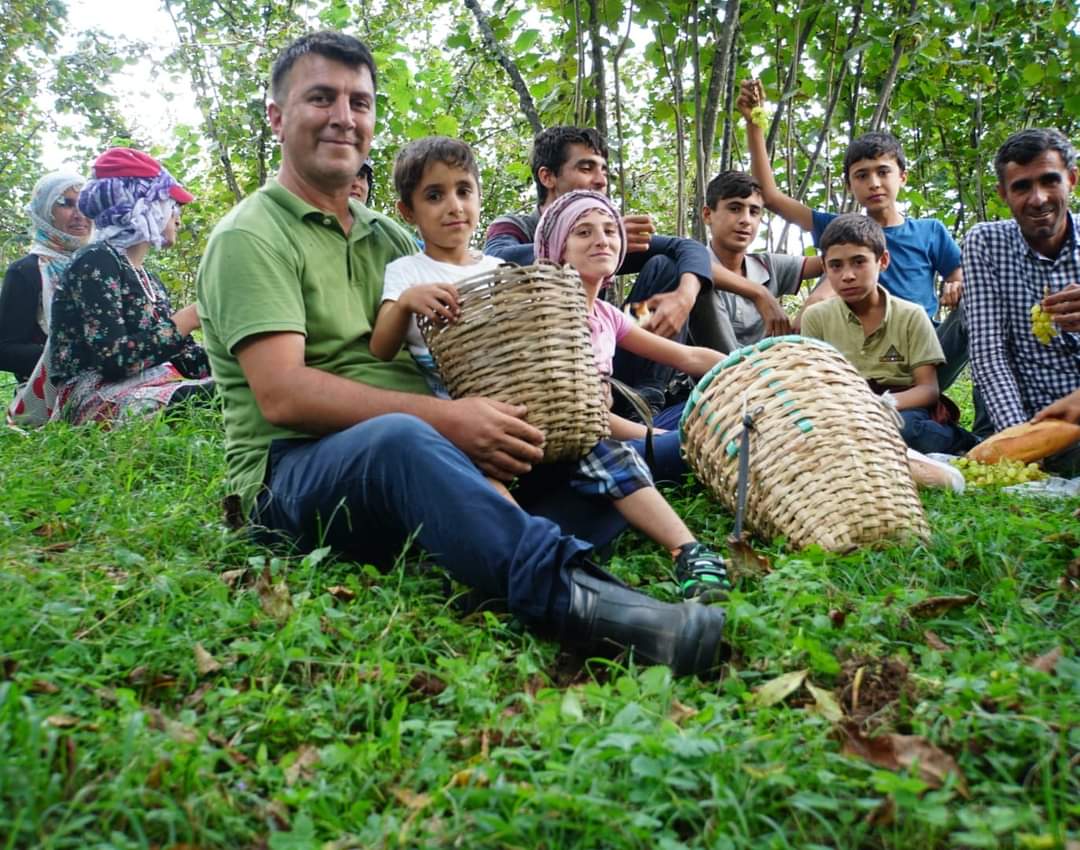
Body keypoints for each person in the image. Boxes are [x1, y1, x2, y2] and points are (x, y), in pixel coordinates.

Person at [195, 31, 727, 678]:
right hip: (297, 472)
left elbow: (492, 270)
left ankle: (486, 544)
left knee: (576, 443)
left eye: (359, 103)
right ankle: (595, 608)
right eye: (321, 98)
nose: (343, 117)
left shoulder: (389, 235)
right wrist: (449, 419)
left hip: (434, 447)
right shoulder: (251, 236)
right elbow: (283, 395)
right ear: (278, 117)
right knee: (400, 441)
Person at [534, 189, 730, 599]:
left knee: (708, 424)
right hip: (567, 446)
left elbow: (689, 356)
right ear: (558, 250)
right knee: (657, 449)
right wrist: (655, 439)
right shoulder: (548, 312)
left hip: (607, 434)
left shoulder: (607, 315)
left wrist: (750, 366)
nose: (602, 239)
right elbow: (581, 416)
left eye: (609, 230)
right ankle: (688, 550)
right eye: (583, 232)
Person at [737, 81, 969, 392]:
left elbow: (956, 270)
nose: (874, 183)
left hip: (922, 353)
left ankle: (986, 427)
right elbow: (772, 197)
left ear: (902, 177)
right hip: (860, 359)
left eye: (883, 172)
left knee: (979, 304)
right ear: (849, 185)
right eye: (862, 175)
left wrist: (956, 282)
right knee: (823, 291)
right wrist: (754, 122)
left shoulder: (930, 231)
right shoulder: (841, 231)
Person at [484, 126, 713, 413]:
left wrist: (684, 297)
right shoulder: (516, 227)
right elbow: (495, 261)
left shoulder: (605, 237)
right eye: (586, 168)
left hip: (613, 338)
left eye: (603, 170)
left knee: (665, 266)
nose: (600, 180)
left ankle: (647, 395)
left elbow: (687, 248)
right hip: (551, 361)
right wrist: (575, 242)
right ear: (548, 177)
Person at [47, 148, 213, 424]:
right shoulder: (96, 260)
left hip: (151, 384)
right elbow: (114, 361)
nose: (178, 217)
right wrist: (188, 319)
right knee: (226, 397)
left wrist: (252, 358)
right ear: (143, 203)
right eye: (172, 205)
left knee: (248, 385)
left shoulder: (150, 280)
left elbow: (187, 359)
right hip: (97, 397)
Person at [801, 215, 975, 455]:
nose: (848, 275)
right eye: (836, 265)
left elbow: (928, 390)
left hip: (899, 404)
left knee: (904, 428)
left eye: (859, 262)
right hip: (842, 409)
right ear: (824, 267)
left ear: (882, 261)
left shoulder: (911, 315)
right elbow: (815, 385)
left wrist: (875, 406)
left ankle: (965, 443)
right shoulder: (816, 317)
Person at [964, 128, 1080, 475]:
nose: (1039, 198)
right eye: (1022, 187)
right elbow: (988, 352)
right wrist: (1018, 439)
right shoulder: (986, 243)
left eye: (1050, 181)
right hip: (1028, 416)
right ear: (1003, 193)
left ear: (1071, 180)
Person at [693, 170, 823, 352]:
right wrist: (759, 293)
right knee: (700, 283)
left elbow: (836, 262)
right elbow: (686, 264)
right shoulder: (691, 260)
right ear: (707, 215)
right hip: (708, 375)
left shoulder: (767, 266)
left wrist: (815, 300)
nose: (745, 220)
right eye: (734, 208)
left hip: (765, 374)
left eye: (754, 212)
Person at [2, 171, 91, 425]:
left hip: (105, 381)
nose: (79, 214)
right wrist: (71, 358)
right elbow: (4, 349)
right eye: (65, 204)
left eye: (84, 204)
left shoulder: (97, 266)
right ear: (45, 211)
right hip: (47, 399)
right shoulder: (27, 271)